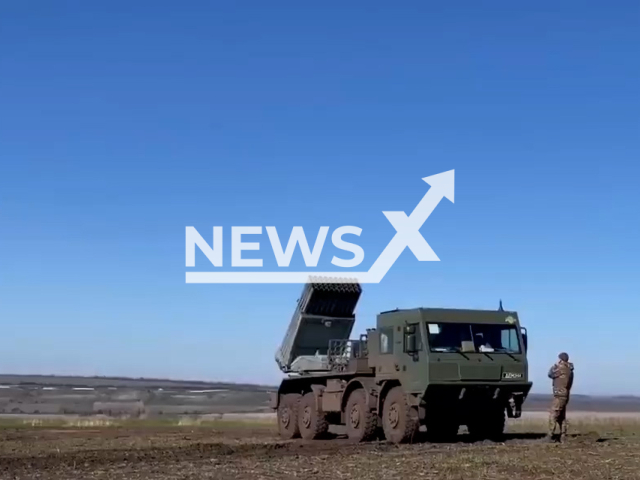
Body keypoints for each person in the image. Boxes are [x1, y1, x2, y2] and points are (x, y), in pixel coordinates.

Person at [547, 352, 574, 442]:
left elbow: (550, 374)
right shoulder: (570, 370)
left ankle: (550, 435)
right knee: (561, 416)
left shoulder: (561, 368)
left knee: (553, 415)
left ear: (561, 359)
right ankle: (563, 435)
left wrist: (554, 366)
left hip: (559, 394)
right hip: (565, 394)